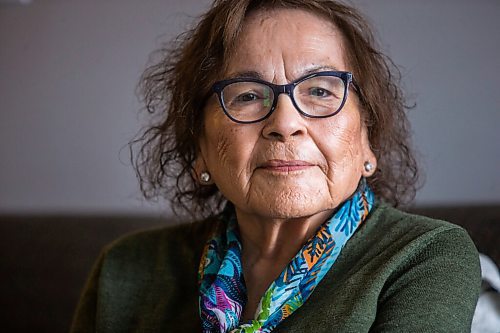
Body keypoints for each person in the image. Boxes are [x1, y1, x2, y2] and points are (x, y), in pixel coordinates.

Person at [70, 0, 481, 332]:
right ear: (199, 147)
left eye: (320, 90)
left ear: (367, 138)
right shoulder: (124, 269)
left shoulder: (424, 256)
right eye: (247, 96)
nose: (285, 124)